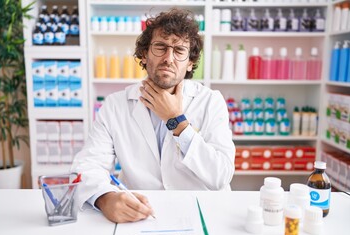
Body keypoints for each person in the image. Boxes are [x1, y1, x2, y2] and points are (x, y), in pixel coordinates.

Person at [71, 8, 235, 223]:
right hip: (140, 215)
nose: (169, 58)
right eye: (160, 47)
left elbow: (220, 176)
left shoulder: (210, 101)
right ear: (144, 55)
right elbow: (88, 166)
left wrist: (177, 121)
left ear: (191, 63)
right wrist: (104, 198)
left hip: (201, 214)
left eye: (179, 50)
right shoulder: (115, 105)